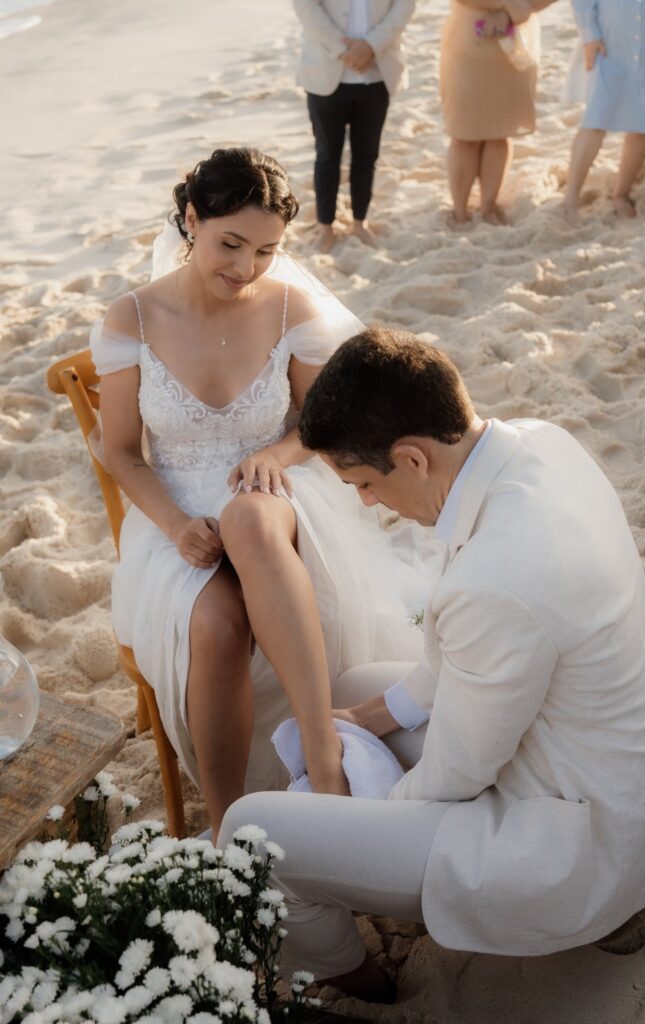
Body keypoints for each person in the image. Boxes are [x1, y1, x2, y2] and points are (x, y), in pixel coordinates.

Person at [220, 328, 645, 1003]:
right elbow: (476, 659)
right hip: (611, 785)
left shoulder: (497, 579)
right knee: (352, 691)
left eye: (364, 484)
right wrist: (373, 718)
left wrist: (363, 813)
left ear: (410, 457)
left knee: (250, 833)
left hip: (580, 852)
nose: (366, 504)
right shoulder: (540, 443)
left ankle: (356, 986)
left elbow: (456, 775)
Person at [91, 149, 434, 843]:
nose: (245, 268)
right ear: (191, 219)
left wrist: (274, 455)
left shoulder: (290, 308)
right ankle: (228, 828)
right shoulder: (131, 319)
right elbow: (120, 451)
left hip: (275, 491)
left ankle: (320, 754)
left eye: (267, 251)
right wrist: (176, 522)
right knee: (215, 627)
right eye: (230, 244)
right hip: (174, 506)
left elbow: (316, 424)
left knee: (248, 512)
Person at [292, 0, 416, 252]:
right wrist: (342, 49)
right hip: (325, 67)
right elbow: (306, 6)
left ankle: (360, 222)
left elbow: (404, 5)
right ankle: (325, 226)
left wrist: (371, 46)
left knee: (366, 155)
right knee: (327, 155)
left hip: (377, 71)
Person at [564, 0, 645, 223]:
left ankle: (621, 192)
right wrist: (589, 33)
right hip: (610, 48)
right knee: (595, 121)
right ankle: (570, 198)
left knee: (643, 125)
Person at [440, 0, 556, 226]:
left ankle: (488, 206)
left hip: (516, 44)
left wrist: (517, 11)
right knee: (465, 132)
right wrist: (508, 3)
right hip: (469, 38)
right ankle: (460, 212)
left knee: (500, 130)